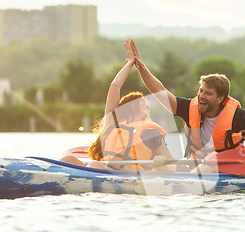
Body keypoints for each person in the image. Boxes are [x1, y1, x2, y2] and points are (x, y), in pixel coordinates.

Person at [127, 39, 245, 171]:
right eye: (201, 91)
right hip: (196, 171)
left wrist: (238, 167)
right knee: (166, 165)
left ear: (220, 99)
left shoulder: (239, 116)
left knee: (212, 158)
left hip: (229, 170)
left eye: (208, 94)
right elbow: (159, 91)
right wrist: (140, 66)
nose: (201, 96)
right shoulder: (189, 109)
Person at [60, 40, 175, 171]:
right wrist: (131, 63)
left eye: (148, 104)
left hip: (130, 177)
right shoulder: (112, 123)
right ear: (130, 105)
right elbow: (114, 86)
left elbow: (173, 166)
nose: (148, 106)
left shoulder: (152, 133)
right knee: (67, 159)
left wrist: (161, 164)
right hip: (105, 171)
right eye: (143, 102)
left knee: (94, 165)